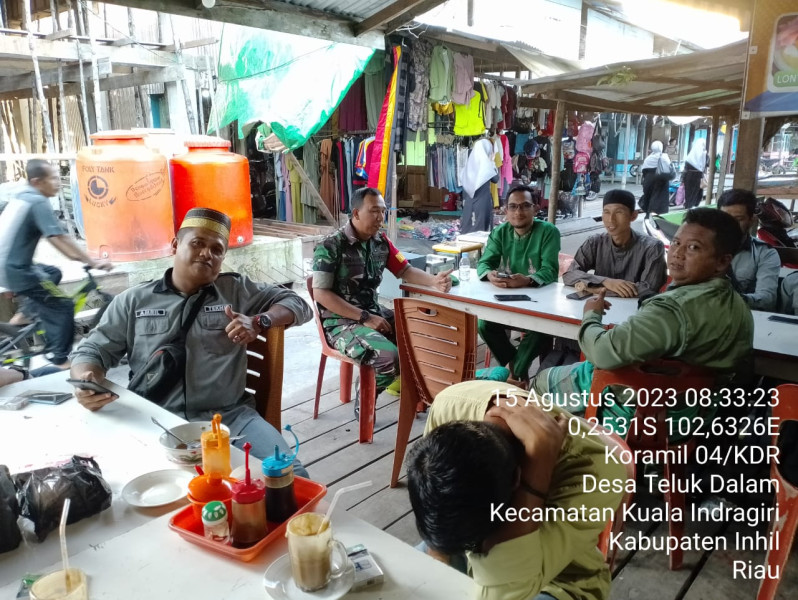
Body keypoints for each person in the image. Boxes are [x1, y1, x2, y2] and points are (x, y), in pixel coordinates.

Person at [69, 208, 312, 473]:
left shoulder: (236, 290)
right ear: (176, 245)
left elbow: (298, 303)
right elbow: (93, 349)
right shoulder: (134, 300)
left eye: (217, 250)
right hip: (156, 418)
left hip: (230, 419)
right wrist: (87, 381)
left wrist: (259, 321)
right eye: (197, 243)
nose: (207, 253)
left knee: (293, 476)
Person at [531, 208, 753, 437]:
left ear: (722, 262)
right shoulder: (738, 305)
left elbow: (602, 353)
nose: (677, 253)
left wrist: (591, 316)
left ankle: (556, 448)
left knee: (542, 381)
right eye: (676, 243)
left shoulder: (673, 307)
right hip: (691, 418)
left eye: (693, 247)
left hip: (641, 416)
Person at [407, 379, 626, 600]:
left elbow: (503, 595)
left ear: (517, 480)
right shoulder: (450, 405)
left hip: (558, 581)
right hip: (465, 544)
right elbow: (437, 505)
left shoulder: (596, 474)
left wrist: (536, 473)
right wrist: (438, 552)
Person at [312, 187, 452, 396]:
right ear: (356, 213)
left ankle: (412, 394)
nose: (380, 217)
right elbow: (321, 293)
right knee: (388, 358)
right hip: (340, 322)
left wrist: (434, 281)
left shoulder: (381, 242)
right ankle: (365, 398)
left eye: (383, 211)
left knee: (424, 336)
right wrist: (365, 317)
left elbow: (405, 270)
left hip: (374, 312)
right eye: (374, 211)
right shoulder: (331, 245)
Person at [0, 160, 112, 368]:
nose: (58, 183)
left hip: (10, 268)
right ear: (37, 182)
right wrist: (92, 261)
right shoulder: (37, 201)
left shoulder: (23, 196)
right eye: (52, 178)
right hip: (17, 272)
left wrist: (80, 257)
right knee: (64, 306)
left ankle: (25, 314)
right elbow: (59, 239)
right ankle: (60, 359)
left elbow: (59, 237)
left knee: (52, 272)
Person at [477, 185, 561, 383]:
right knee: (485, 324)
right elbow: (484, 263)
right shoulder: (500, 232)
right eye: (513, 207)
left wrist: (528, 280)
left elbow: (550, 270)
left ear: (535, 208)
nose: (518, 212)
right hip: (508, 299)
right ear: (505, 210)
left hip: (541, 302)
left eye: (525, 206)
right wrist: (490, 275)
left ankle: (513, 373)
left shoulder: (548, 231)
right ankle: (517, 370)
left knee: (541, 330)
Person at [562, 189, 667, 299]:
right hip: (599, 306)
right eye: (606, 212)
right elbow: (569, 275)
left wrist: (596, 290)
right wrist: (606, 281)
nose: (611, 219)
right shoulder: (595, 242)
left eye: (618, 212)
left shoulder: (652, 247)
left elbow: (649, 288)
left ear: (633, 215)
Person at [717, 189, 780, 311]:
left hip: (742, 315)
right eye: (724, 218)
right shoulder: (702, 248)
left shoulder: (765, 253)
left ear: (752, 221)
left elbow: (767, 299)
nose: (730, 224)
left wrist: (731, 300)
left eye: (738, 219)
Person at [461, 138, 499, 234]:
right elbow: (495, 179)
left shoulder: (470, 163)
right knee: (481, 226)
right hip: (482, 200)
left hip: (469, 201)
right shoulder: (486, 164)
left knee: (469, 224)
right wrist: (492, 162)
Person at [638, 141, 671, 216]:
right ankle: (657, 216)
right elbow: (669, 168)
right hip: (661, 180)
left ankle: (648, 215)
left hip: (649, 179)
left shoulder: (648, 158)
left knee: (648, 196)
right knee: (659, 198)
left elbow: (644, 170)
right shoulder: (664, 157)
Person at [683, 138, 707, 209]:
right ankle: (692, 209)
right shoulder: (703, 154)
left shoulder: (690, 156)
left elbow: (685, 168)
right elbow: (705, 166)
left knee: (689, 194)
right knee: (696, 195)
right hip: (698, 177)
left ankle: (688, 208)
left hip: (688, 177)